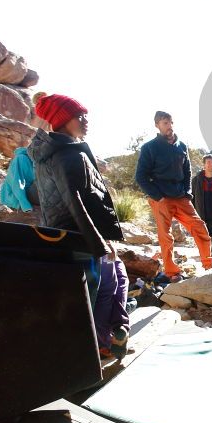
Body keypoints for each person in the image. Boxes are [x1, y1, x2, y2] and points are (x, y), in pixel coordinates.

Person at [27, 93, 130, 360]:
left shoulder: (54, 152)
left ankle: (107, 338)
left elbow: (42, 195)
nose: (86, 121)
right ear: (63, 120)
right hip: (79, 237)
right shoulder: (67, 155)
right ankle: (96, 347)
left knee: (113, 279)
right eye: (79, 116)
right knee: (102, 289)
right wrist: (100, 244)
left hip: (69, 235)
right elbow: (76, 203)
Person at [135, 111, 212, 282]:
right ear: (157, 125)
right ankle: (171, 272)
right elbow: (140, 176)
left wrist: (187, 193)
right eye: (164, 123)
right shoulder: (149, 147)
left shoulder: (181, 146)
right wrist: (157, 196)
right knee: (165, 235)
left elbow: (187, 171)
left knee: (199, 227)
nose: (169, 126)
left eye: (170, 122)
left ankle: (208, 264)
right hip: (161, 198)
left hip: (181, 197)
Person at [0, 146, 39, 211]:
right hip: (13, 198)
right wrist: (25, 205)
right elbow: (17, 183)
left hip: (23, 192)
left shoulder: (33, 160)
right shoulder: (20, 159)